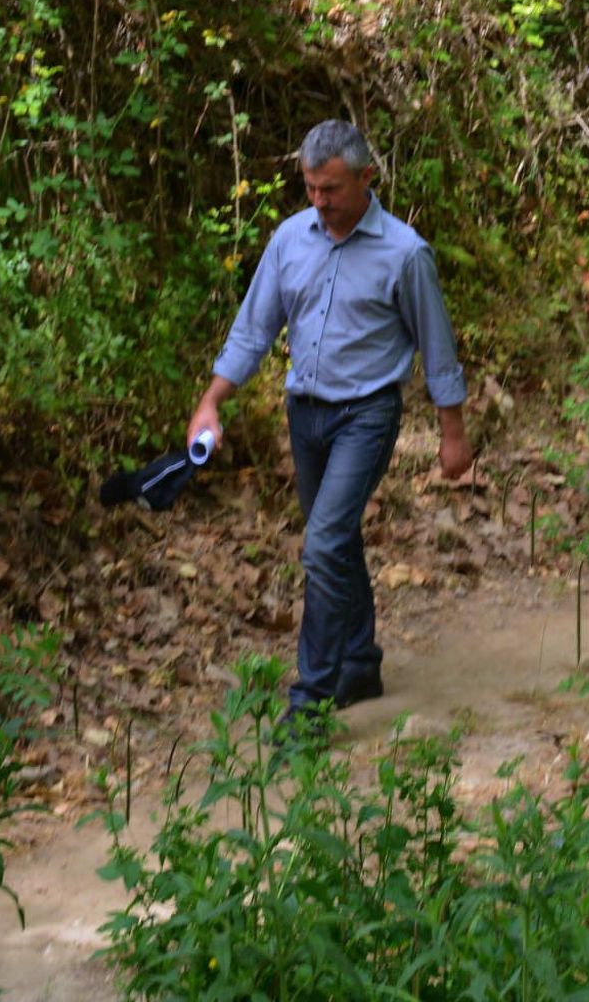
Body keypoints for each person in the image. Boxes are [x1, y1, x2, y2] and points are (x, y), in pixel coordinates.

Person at [186, 121, 472, 729]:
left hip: (367, 413)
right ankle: (360, 662)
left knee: (320, 546)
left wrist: (453, 431)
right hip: (305, 412)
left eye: (332, 189)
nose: (319, 201)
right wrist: (211, 400)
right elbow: (253, 328)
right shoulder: (290, 239)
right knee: (335, 543)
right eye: (311, 188)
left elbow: (436, 346)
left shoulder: (404, 252)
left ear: (367, 179)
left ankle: (311, 700)